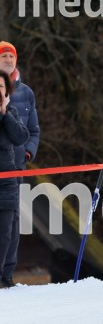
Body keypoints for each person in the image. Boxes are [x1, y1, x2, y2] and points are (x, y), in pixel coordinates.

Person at [0, 41, 40, 286]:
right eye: (3, 55)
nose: (8, 59)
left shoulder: (25, 92)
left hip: (16, 168)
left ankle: (7, 273)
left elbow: (33, 130)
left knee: (12, 223)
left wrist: (27, 153)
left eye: (11, 56)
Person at [0, 70, 29, 288]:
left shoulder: (11, 112)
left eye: (1, 87)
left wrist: (4, 113)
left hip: (7, 182)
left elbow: (22, 137)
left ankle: (4, 277)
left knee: (5, 234)